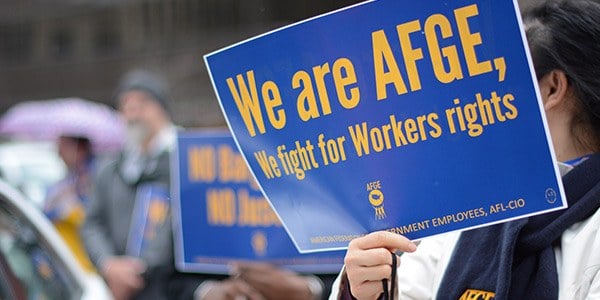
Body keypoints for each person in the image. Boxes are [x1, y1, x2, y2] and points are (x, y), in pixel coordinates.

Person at [331, 0, 600, 299]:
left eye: (504, 77)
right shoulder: (477, 207)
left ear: (552, 88)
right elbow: (406, 290)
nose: (485, 98)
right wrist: (361, 288)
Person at [44, 135, 96, 273]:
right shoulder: (70, 178)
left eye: (63, 146)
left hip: (87, 260)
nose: (59, 153)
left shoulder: (95, 177)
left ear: (79, 148)